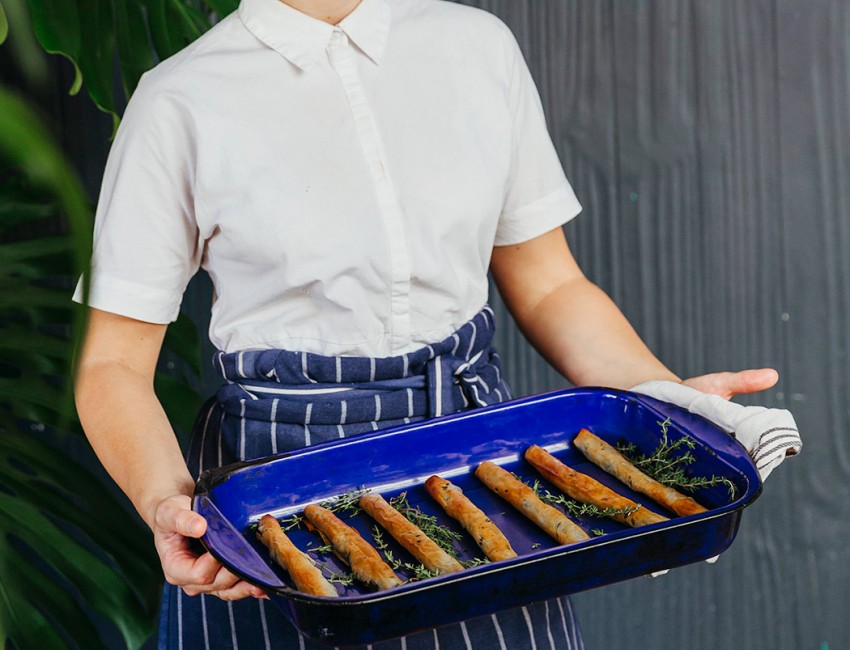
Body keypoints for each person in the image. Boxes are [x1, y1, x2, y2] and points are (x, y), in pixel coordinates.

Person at [73, 0, 779, 648]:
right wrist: (167, 503)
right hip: (278, 488)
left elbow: (552, 284)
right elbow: (113, 365)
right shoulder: (180, 98)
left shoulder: (478, 47)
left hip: (482, 459)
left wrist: (663, 398)